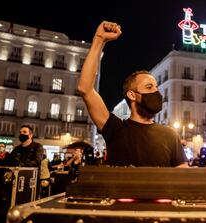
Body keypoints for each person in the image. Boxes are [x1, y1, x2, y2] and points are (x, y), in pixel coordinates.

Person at [77, 21, 187, 167]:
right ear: (132, 95)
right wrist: (99, 39)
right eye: (149, 87)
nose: (156, 91)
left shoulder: (171, 135)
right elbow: (85, 89)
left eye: (156, 87)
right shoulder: (116, 129)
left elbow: (184, 176)